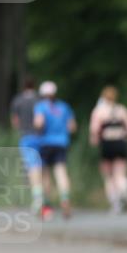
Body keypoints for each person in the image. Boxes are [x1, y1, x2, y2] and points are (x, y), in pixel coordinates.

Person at [89, 86, 127, 214]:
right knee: (120, 174)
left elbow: (94, 130)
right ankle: (125, 187)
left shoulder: (99, 111)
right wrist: (125, 134)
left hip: (107, 144)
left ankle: (115, 203)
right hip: (120, 143)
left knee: (108, 176)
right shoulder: (121, 110)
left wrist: (95, 140)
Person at [34, 81, 77, 219]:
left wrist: (38, 129)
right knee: (61, 172)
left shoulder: (41, 107)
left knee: (45, 175)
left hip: (45, 143)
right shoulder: (64, 107)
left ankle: (46, 206)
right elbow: (72, 127)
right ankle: (65, 199)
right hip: (61, 143)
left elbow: (39, 123)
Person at [10, 77, 44, 212]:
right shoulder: (40, 100)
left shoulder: (18, 100)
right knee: (42, 166)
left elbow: (15, 121)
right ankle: (42, 196)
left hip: (26, 137)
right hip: (41, 136)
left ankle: (37, 198)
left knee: (32, 166)